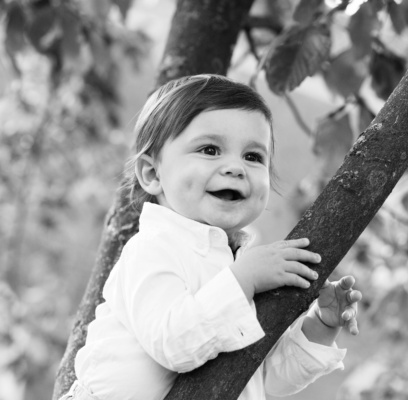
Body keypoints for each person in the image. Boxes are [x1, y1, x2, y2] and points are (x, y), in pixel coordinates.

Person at [60, 74, 362, 400]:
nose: (235, 167)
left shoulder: (238, 265)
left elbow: (256, 379)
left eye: (253, 156)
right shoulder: (153, 250)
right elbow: (173, 343)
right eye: (210, 149)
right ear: (152, 174)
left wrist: (320, 327)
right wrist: (242, 280)